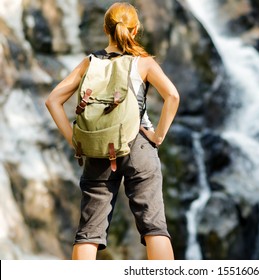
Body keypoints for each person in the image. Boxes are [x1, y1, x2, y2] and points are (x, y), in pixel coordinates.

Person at [45, 2, 179, 260]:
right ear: (135, 29)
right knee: (154, 228)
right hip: (137, 144)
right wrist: (158, 136)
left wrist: (75, 141)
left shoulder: (90, 62)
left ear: (106, 29)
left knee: (89, 232)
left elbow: (53, 100)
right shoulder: (144, 63)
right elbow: (172, 95)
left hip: (98, 148)